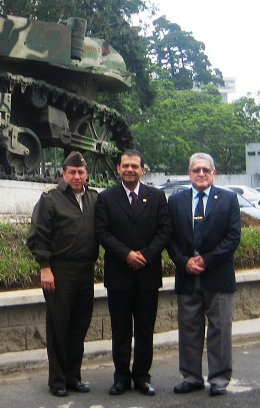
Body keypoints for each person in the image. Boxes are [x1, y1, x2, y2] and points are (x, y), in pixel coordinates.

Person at [95, 149, 171, 396]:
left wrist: (146, 256)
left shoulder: (157, 197)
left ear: (142, 170)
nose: (130, 169)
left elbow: (164, 231)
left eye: (134, 166)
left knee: (145, 330)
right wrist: (126, 254)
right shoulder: (106, 198)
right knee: (120, 330)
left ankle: (141, 377)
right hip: (119, 275)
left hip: (148, 275)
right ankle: (121, 377)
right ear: (118, 168)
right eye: (125, 165)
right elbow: (102, 232)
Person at [167, 152, 241, 397]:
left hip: (218, 275)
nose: (201, 174)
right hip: (187, 274)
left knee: (220, 330)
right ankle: (191, 377)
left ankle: (219, 379)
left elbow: (233, 237)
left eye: (206, 170)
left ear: (214, 173)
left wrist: (206, 261)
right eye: (196, 170)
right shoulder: (175, 201)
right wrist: (184, 261)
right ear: (188, 173)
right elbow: (169, 237)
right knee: (189, 329)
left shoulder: (228, 199)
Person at [26, 151, 99, 397]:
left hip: (85, 271)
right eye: (72, 172)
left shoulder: (94, 198)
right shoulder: (50, 198)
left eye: (81, 172)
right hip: (59, 271)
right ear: (64, 174)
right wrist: (45, 267)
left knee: (79, 325)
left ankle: (73, 377)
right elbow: (38, 235)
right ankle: (57, 380)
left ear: (86, 174)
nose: (77, 176)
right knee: (59, 327)